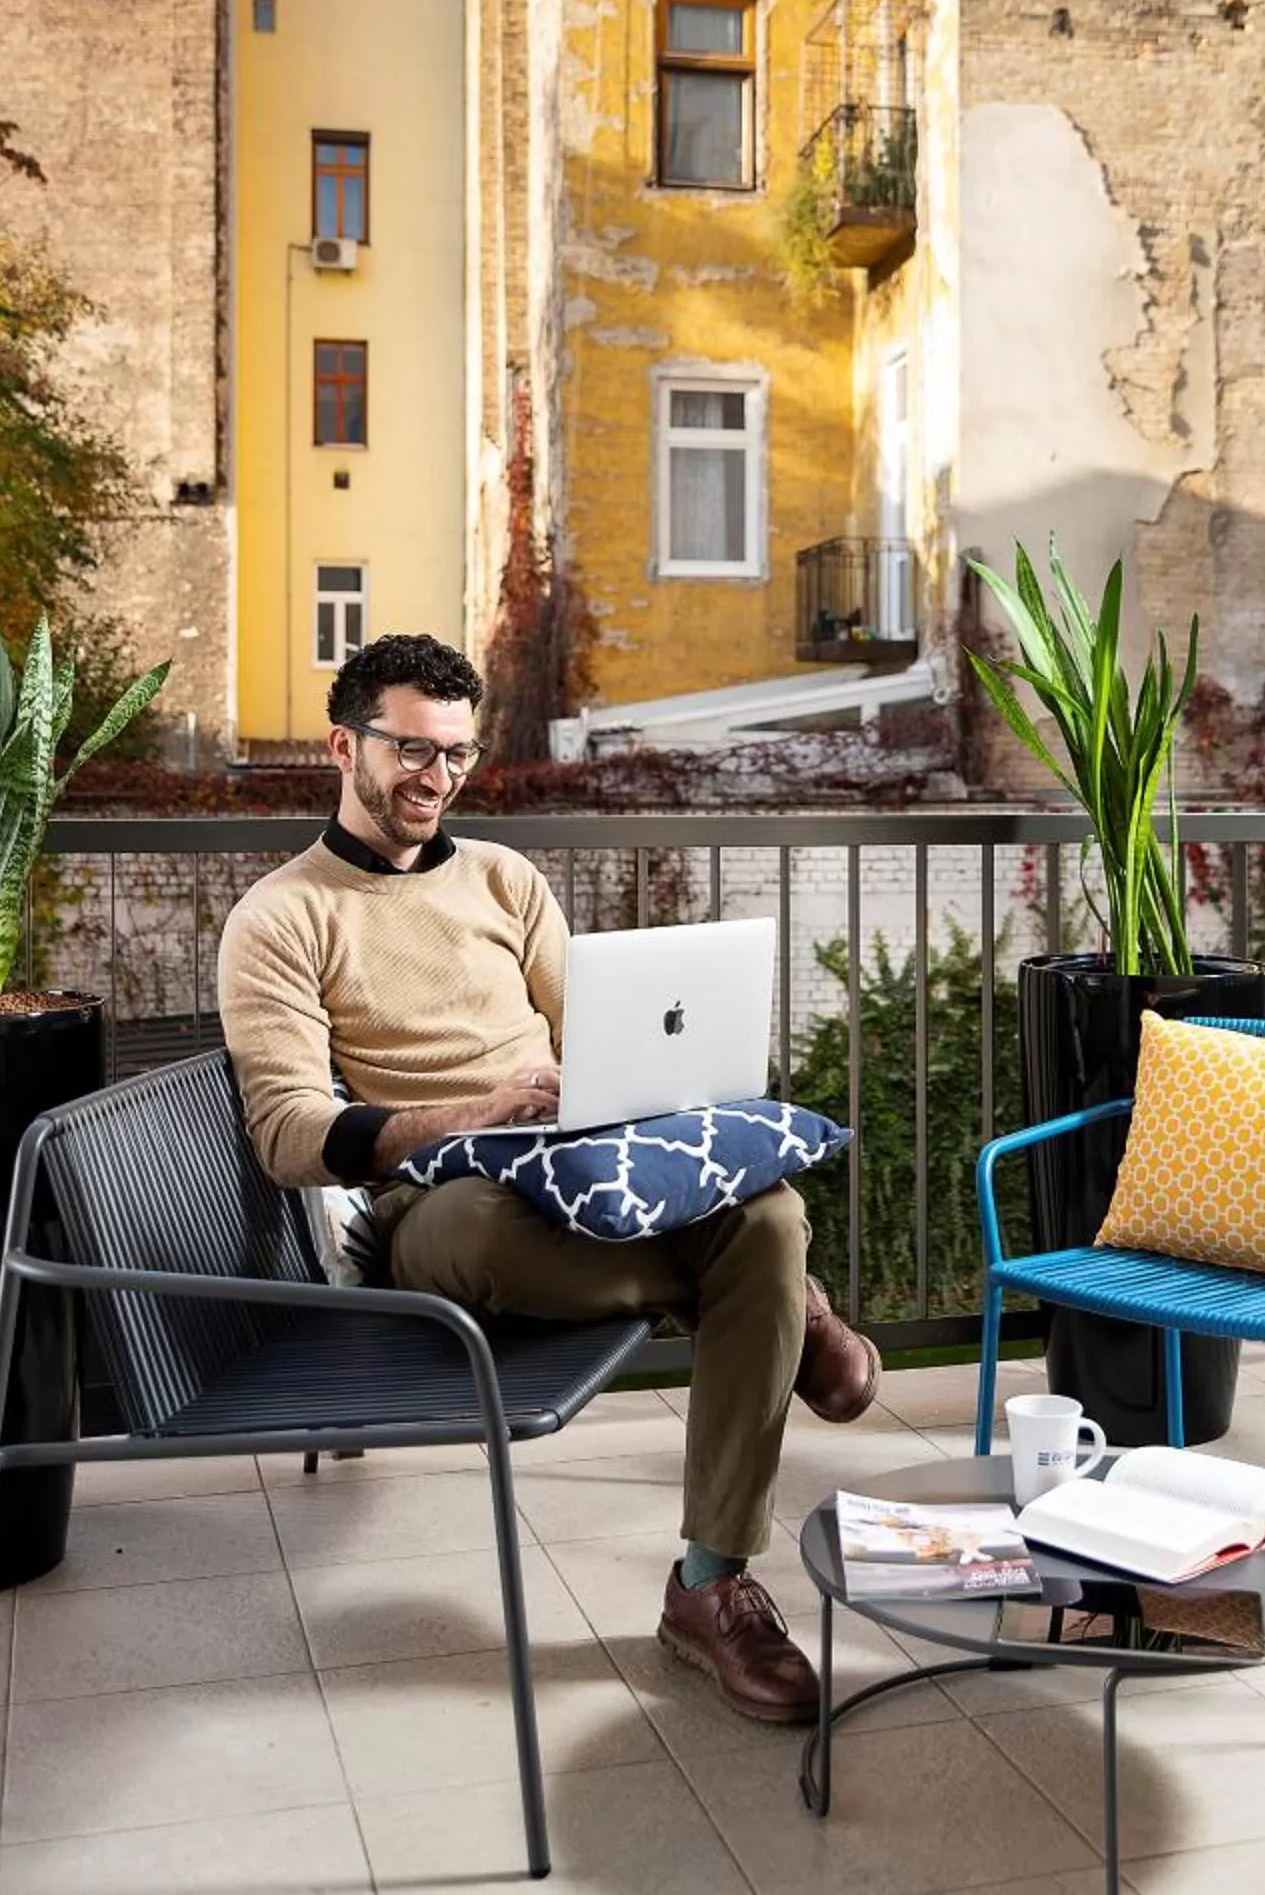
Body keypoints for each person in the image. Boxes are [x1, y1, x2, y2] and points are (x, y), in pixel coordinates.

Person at [216, 630, 880, 1727]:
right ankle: (786, 1304)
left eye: (456, 754)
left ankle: (708, 1583)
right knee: (665, 1247)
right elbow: (290, 1134)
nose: (435, 777)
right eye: (411, 750)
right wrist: (475, 1113)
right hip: (439, 1201)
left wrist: (629, 1083)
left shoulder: (504, 879)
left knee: (769, 1212)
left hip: (572, 1165)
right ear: (344, 747)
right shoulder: (281, 917)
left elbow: (603, 1039)